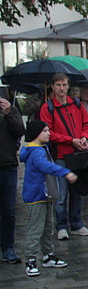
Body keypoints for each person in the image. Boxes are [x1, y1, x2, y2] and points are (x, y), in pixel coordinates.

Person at [18, 120, 77, 277]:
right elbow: (44, 166)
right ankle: (31, 260)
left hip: (45, 194)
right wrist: (65, 172)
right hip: (36, 195)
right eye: (45, 131)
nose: (48, 133)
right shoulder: (36, 151)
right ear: (36, 134)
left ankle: (47, 255)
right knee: (36, 228)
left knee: (47, 226)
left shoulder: (40, 148)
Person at [39, 73, 88, 240]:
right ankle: (61, 225)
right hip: (61, 155)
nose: (61, 88)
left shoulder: (76, 103)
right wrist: (71, 140)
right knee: (61, 194)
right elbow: (49, 133)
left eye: (64, 85)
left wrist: (84, 137)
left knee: (77, 191)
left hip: (77, 155)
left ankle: (76, 223)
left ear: (68, 86)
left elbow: (86, 123)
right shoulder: (47, 107)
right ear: (53, 87)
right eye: (58, 85)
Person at [0, 91, 25, 264]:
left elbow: (19, 132)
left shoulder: (11, 110)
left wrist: (8, 114)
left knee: (8, 210)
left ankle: (8, 247)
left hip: (7, 165)